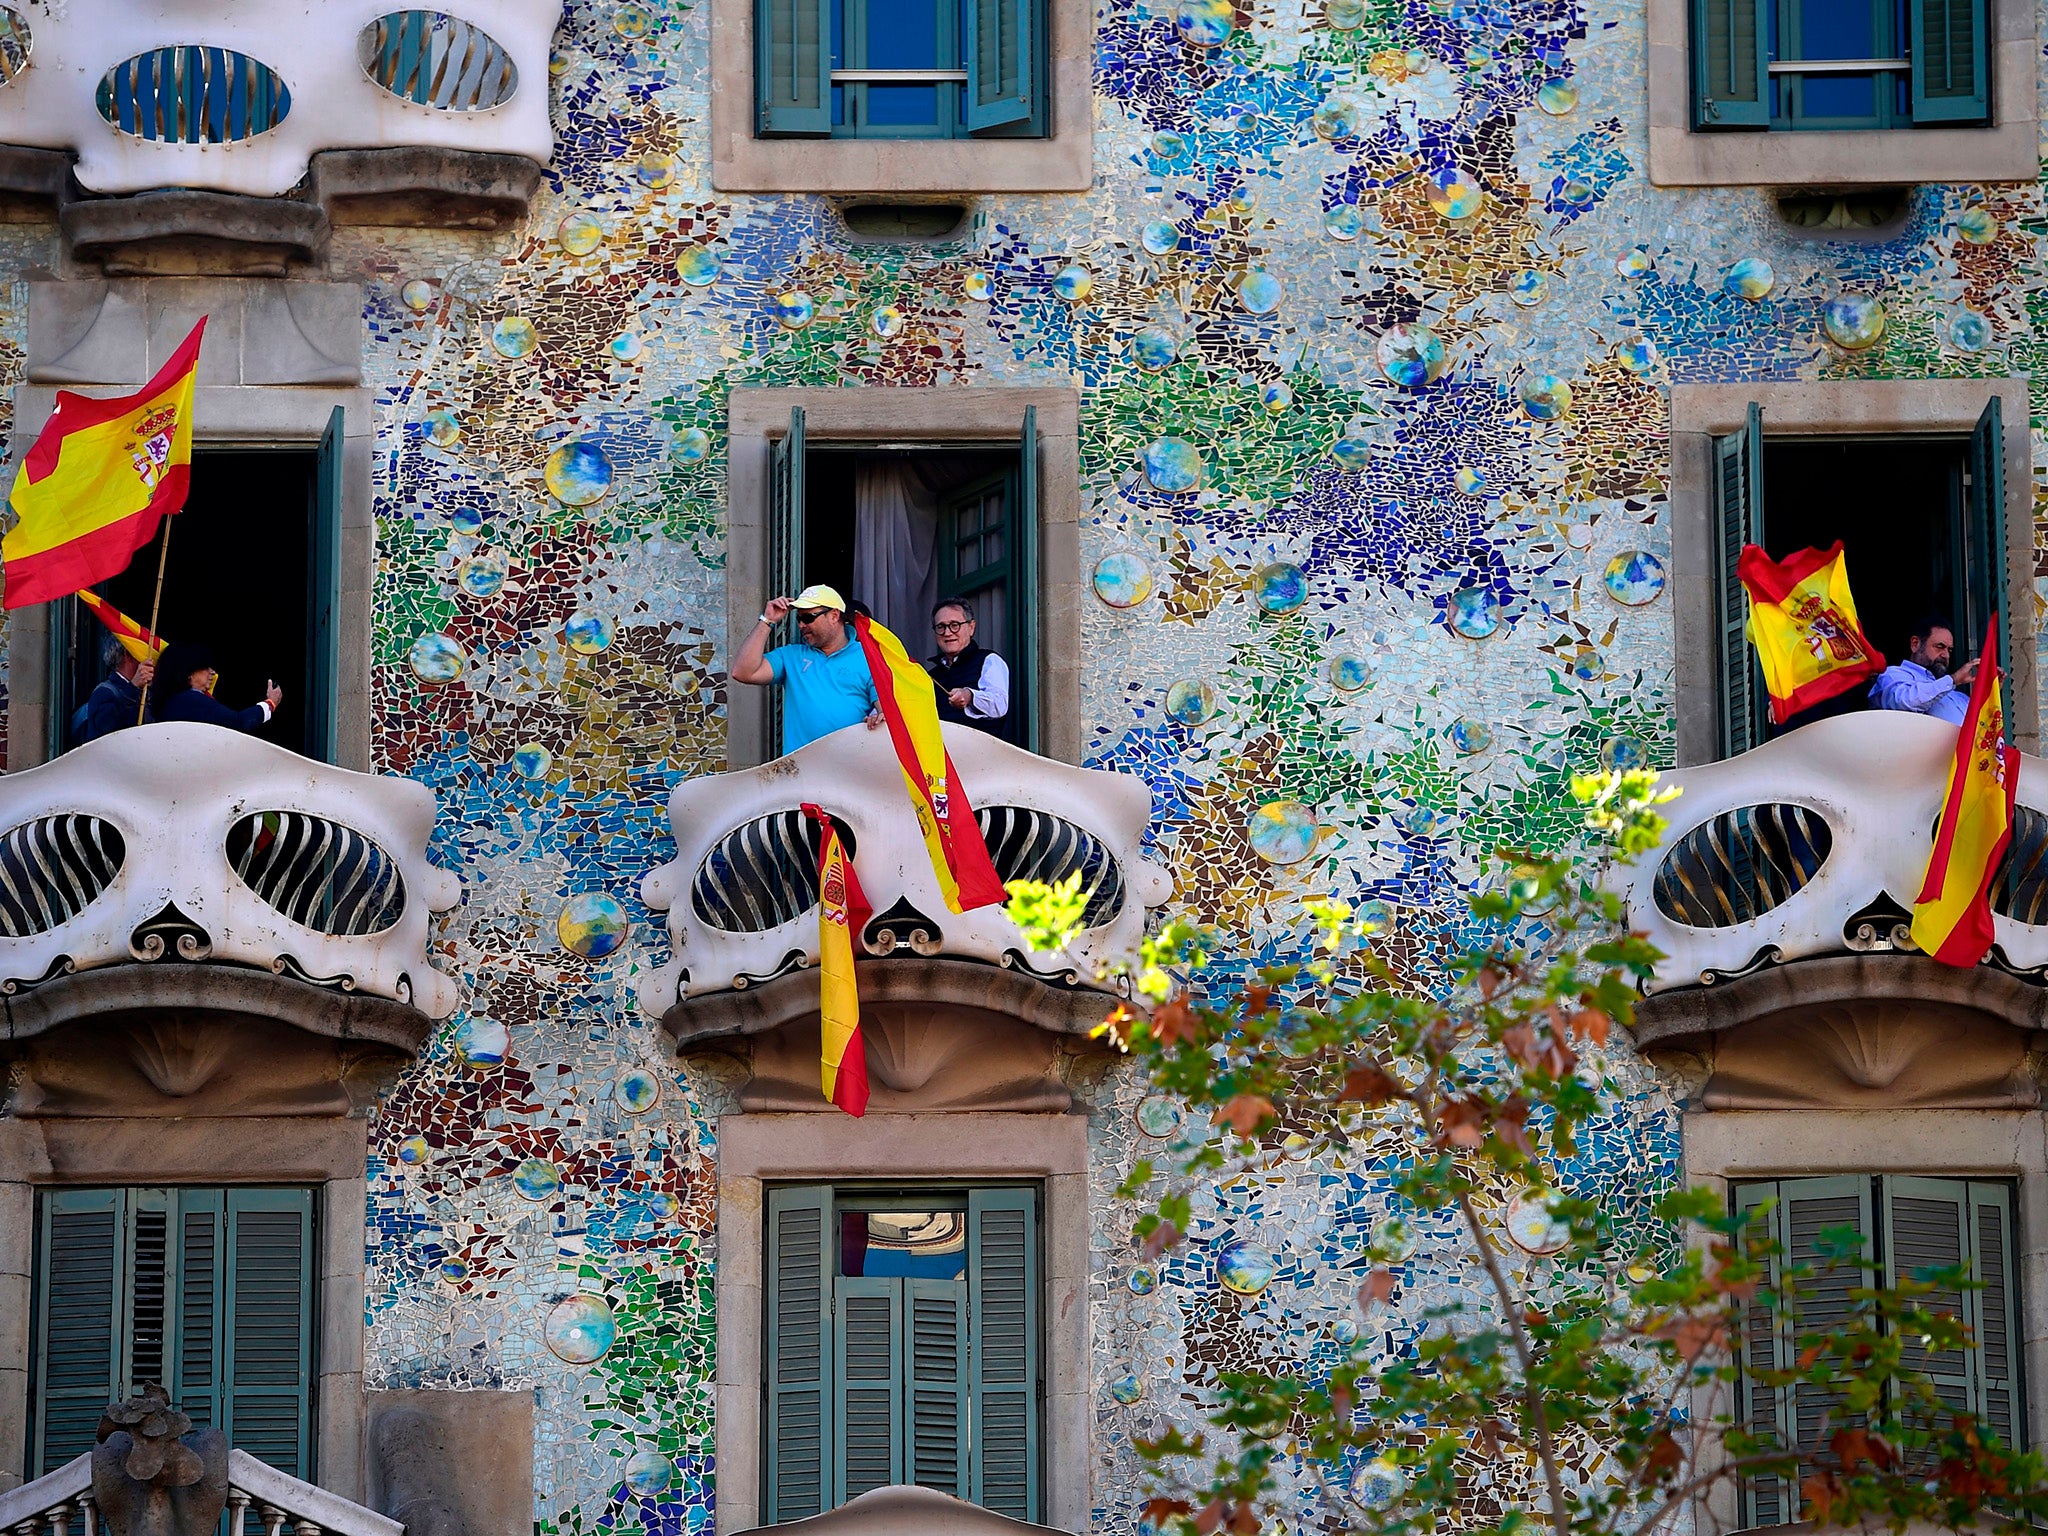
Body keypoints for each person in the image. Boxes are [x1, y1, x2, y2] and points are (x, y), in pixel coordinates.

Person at [729, 584, 882, 755]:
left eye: (808, 618)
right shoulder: (791, 656)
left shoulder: (869, 658)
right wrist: (767, 620)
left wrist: (878, 718)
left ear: (834, 615)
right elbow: (742, 672)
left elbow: (886, 710)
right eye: (798, 619)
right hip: (799, 773)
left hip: (848, 771)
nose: (801, 625)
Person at [151, 641, 283, 733]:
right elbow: (239, 722)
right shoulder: (189, 699)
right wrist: (270, 703)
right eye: (205, 667)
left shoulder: (171, 702)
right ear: (189, 673)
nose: (212, 672)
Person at [1869, 615, 1977, 726]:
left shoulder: (1958, 697)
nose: (1946, 655)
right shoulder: (1892, 675)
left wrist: (1993, 688)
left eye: (1949, 650)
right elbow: (1905, 701)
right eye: (1940, 646)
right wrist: (1953, 680)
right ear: (1915, 644)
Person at [925, 598, 1009, 735]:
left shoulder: (988, 661)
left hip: (982, 751)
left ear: (971, 627)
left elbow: (999, 704)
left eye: (954, 625)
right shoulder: (931, 676)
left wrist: (970, 695)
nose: (947, 633)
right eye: (940, 627)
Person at [76, 635, 156, 743]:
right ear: (127, 655)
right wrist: (133, 688)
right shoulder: (104, 692)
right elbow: (106, 727)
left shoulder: (146, 690)